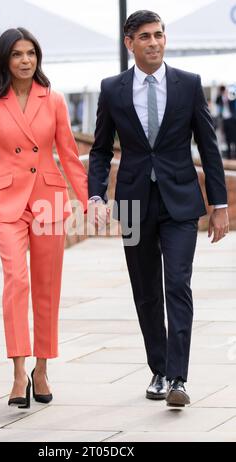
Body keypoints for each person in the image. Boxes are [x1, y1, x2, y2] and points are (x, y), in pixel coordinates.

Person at [88, 10, 229, 407]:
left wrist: (219, 204)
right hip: (133, 204)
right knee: (145, 290)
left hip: (181, 203)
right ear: (129, 43)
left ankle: (179, 379)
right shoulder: (112, 89)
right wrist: (96, 195)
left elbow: (209, 147)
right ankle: (159, 370)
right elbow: (99, 150)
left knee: (176, 285)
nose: (154, 43)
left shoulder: (188, 85)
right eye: (145, 37)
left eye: (159, 35)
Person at [0, 28, 88, 408]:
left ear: (38, 58)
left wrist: (89, 200)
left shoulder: (52, 100)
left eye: (31, 53)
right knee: (16, 282)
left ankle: (42, 367)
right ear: (5, 59)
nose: (25, 60)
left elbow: (69, 154)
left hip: (48, 201)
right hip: (5, 203)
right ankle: (19, 372)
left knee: (46, 288)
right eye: (17, 54)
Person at [216, 85, 236, 159]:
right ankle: (228, 156)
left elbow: (233, 99)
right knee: (226, 137)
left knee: (233, 137)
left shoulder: (231, 96)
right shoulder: (220, 98)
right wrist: (220, 93)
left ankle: (234, 154)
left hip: (232, 119)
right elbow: (217, 101)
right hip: (224, 120)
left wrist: (228, 96)